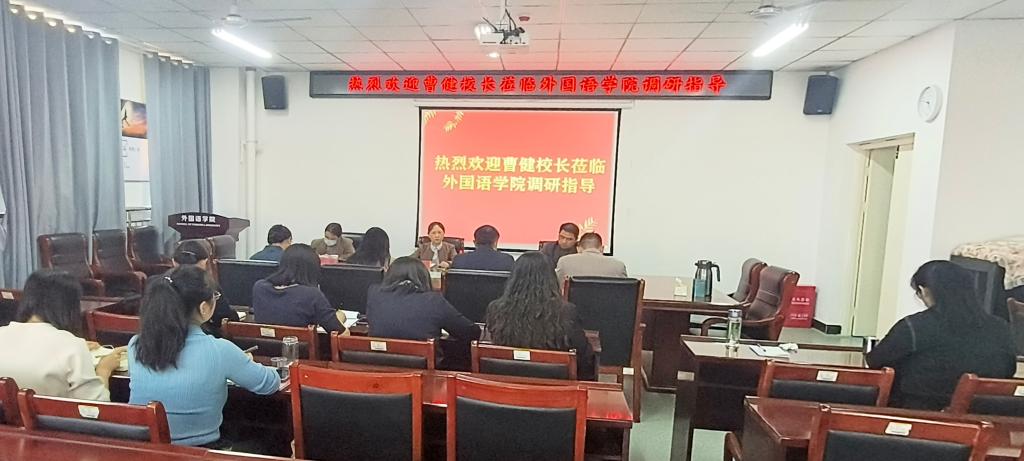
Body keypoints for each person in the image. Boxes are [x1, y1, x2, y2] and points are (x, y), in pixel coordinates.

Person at [128, 266, 280, 446]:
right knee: (272, 439)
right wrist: (246, 362)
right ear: (204, 308)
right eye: (215, 296)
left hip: (143, 450)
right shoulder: (219, 350)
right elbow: (270, 384)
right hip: (199, 452)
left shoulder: (136, 344)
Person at [866, 260, 1016, 410]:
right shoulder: (1000, 327)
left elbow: (875, 361)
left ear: (924, 290)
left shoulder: (914, 326)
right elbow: (1008, 370)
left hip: (920, 414)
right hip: (985, 414)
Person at [0, 270, 122, 401]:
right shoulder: (71, 346)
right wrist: (104, 370)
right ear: (69, 306)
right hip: (51, 415)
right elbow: (95, 406)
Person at [484, 252, 596, 380]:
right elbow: (584, 356)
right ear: (551, 278)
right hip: (554, 387)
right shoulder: (565, 312)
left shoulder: (496, 309)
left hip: (504, 385)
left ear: (514, 277)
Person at [366, 256, 480, 350]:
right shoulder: (433, 301)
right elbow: (470, 333)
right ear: (423, 276)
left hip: (378, 363)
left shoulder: (374, 294)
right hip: (422, 367)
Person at [251, 244, 346, 333]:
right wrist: (340, 316)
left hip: (264, 345)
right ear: (313, 269)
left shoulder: (259, 287)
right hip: (299, 345)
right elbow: (340, 333)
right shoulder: (312, 295)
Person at [172, 241, 239, 336]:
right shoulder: (208, 286)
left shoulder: (159, 285)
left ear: (173, 262)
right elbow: (224, 316)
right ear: (205, 262)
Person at [555, 232, 627, 281]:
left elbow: (557, 289)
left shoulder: (564, 262)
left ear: (578, 248)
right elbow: (625, 292)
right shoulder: (619, 266)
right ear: (602, 249)